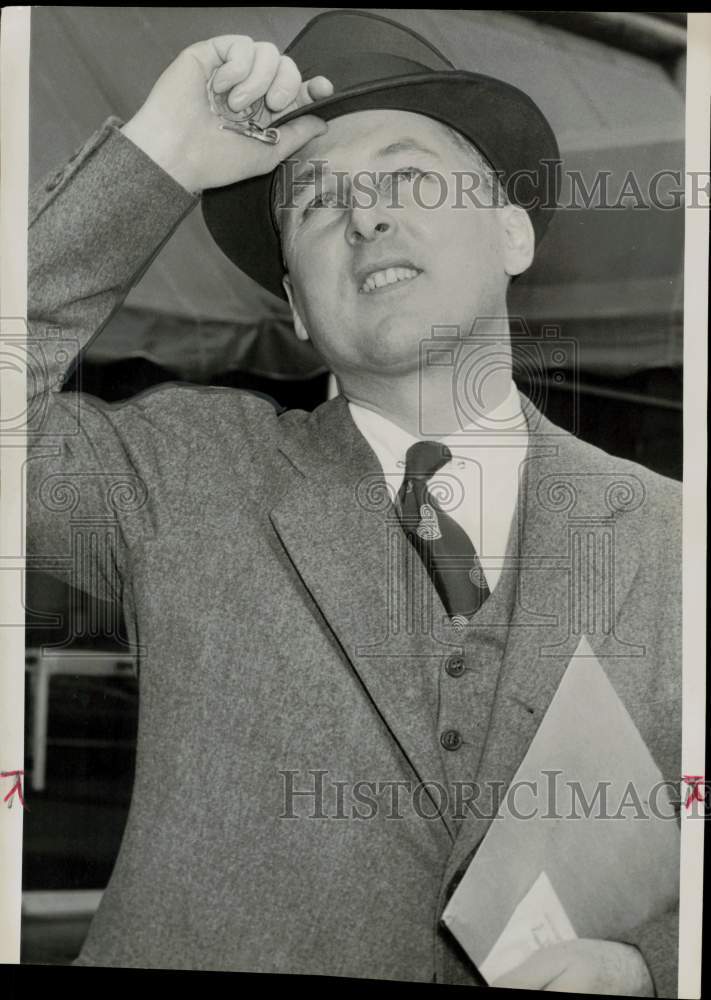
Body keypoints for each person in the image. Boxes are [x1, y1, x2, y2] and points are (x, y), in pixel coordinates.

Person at [27, 10, 680, 994]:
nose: (365, 214)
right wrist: (157, 153)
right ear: (293, 304)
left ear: (511, 229)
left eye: (409, 174)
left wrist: (652, 963)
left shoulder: (676, 538)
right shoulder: (183, 475)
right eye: (316, 202)